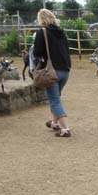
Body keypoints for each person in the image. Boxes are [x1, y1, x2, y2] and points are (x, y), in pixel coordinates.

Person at [33, 9, 72, 137]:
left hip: (51, 72)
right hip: (65, 70)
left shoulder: (42, 32)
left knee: (54, 100)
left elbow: (37, 52)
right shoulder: (61, 32)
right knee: (56, 97)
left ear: (41, 20)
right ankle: (54, 123)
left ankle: (65, 129)